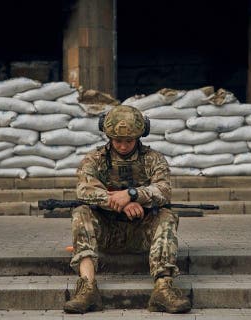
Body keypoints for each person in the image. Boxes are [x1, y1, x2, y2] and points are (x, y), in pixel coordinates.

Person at [63, 105, 191, 314]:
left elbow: (164, 190)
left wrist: (133, 194)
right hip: (106, 234)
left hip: (142, 234)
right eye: (118, 141)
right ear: (108, 136)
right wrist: (122, 203)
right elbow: (84, 189)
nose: (123, 146)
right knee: (81, 212)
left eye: (129, 141)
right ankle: (87, 288)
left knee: (167, 215)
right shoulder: (95, 158)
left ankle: (163, 288)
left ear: (140, 136)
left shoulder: (153, 159)